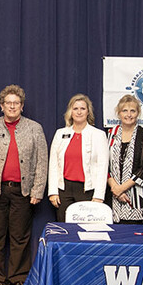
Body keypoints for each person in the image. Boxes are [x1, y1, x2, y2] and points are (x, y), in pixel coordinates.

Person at [0, 84, 48, 285]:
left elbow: (42, 161)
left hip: (24, 191)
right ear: (2, 106)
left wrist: (37, 190)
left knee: (20, 236)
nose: (12, 106)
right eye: (8, 103)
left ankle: (18, 275)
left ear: (22, 106)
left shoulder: (35, 128)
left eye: (16, 103)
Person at [47, 94, 108, 222]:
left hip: (87, 191)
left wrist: (99, 196)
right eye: (75, 108)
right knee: (65, 229)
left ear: (88, 112)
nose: (79, 112)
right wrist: (53, 191)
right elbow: (53, 164)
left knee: (86, 230)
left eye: (82, 108)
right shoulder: (60, 133)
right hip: (64, 190)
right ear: (70, 112)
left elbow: (103, 167)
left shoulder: (98, 135)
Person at [106, 94, 143, 223]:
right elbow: (104, 164)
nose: (129, 114)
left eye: (133, 111)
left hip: (137, 195)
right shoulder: (110, 134)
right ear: (119, 113)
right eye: (125, 111)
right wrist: (115, 188)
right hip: (113, 193)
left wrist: (121, 189)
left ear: (138, 113)